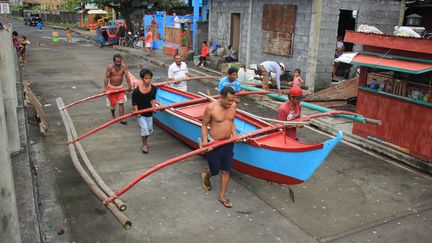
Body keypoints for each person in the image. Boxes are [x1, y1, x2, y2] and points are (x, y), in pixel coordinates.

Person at [201, 86, 237, 208]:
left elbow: (232, 121)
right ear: (221, 97)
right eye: (228, 100)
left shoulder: (233, 106)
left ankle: (222, 196)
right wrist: (206, 143)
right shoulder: (211, 108)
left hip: (228, 143)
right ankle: (206, 175)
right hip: (214, 144)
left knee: (226, 170)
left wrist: (235, 134)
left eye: (233, 100)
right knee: (215, 170)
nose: (230, 103)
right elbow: (204, 125)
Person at [132, 68, 157, 153]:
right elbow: (134, 102)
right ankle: (144, 145)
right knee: (145, 128)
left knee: (149, 129)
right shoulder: (136, 91)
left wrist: (153, 108)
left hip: (149, 112)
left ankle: (145, 142)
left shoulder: (153, 88)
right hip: (141, 113)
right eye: (146, 78)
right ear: (142, 79)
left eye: (149, 78)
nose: (148, 80)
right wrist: (137, 112)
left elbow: (153, 99)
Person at [104, 54, 132, 123]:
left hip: (120, 87)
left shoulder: (123, 66)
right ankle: (113, 116)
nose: (118, 63)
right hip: (111, 88)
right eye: (117, 62)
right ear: (114, 61)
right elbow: (106, 78)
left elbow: (127, 76)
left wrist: (129, 86)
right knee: (112, 104)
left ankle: (122, 118)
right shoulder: (110, 67)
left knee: (121, 103)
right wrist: (105, 88)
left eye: (120, 61)